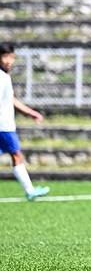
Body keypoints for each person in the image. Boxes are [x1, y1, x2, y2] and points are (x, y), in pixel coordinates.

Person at [0, 44, 49, 201]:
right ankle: (29, 190)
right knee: (16, 155)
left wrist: (30, 113)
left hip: (6, 125)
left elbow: (11, 100)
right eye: (5, 57)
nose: (8, 61)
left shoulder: (5, 76)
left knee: (16, 156)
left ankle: (30, 190)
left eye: (11, 57)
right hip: (4, 126)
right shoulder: (1, 77)